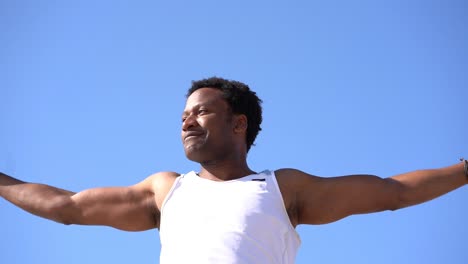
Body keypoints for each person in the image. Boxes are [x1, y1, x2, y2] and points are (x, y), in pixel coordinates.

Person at [1, 77, 467, 263]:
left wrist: (465, 170)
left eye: (200, 112)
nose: (186, 120)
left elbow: (393, 192)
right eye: (183, 114)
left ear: (238, 123)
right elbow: (67, 207)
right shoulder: (165, 191)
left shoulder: (282, 189)